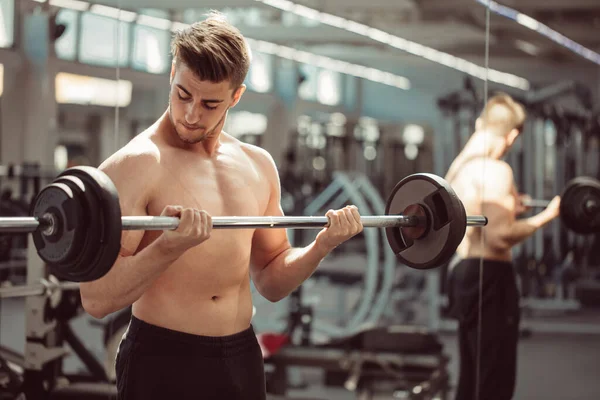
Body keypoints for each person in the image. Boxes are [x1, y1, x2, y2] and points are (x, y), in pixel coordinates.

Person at [78, 12, 363, 400]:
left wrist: (322, 245)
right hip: (163, 358)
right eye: (183, 95)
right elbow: (96, 299)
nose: (192, 114)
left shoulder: (257, 165)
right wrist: (167, 248)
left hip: (241, 355)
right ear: (173, 73)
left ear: (236, 96)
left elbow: (272, 279)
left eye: (210, 104)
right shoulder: (135, 165)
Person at [444, 93, 561, 400]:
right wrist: (546, 217)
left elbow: (473, 216)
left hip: (463, 274)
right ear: (511, 135)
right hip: (491, 277)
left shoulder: (459, 169)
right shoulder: (497, 171)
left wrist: (508, 208)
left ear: (480, 124)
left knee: (470, 377)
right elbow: (497, 237)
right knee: (494, 381)